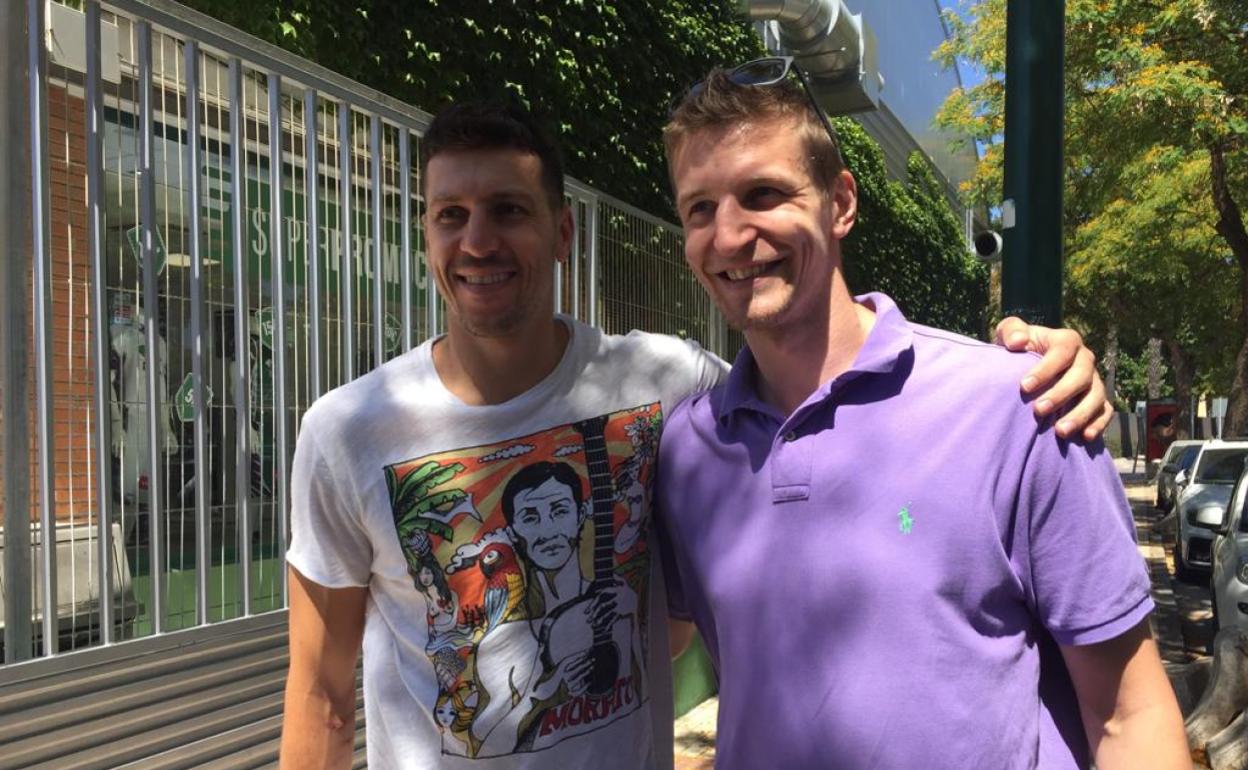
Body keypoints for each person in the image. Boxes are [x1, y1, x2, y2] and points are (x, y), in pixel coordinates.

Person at [279, 100, 1112, 769]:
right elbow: (319, 699)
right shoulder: (348, 430)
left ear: (564, 233)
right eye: (449, 215)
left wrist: (1040, 360)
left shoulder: (670, 389)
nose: (478, 241)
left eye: (507, 211)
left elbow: (809, 387)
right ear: (426, 236)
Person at [655, 60, 1188, 769]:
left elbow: (1130, 713)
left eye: (763, 194)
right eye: (700, 208)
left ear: (841, 203)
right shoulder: (687, 451)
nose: (728, 236)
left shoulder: (1019, 407)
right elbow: (644, 648)